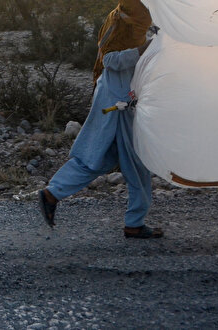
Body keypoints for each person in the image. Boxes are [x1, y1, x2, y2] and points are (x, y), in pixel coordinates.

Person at [38, 29, 163, 239]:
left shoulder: (137, 21)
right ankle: (134, 224)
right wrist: (144, 49)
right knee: (136, 163)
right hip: (119, 105)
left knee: (101, 158)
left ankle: (53, 193)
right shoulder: (122, 22)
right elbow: (110, 60)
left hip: (121, 101)